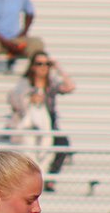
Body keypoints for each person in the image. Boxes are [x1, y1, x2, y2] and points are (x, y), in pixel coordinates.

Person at [7, 51, 76, 183]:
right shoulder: (25, 84)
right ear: (32, 66)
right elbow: (15, 101)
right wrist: (29, 99)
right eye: (39, 64)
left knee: (62, 144)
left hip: (49, 122)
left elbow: (70, 87)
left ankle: (50, 179)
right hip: (28, 123)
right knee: (30, 146)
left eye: (47, 64)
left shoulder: (51, 83)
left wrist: (58, 67)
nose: (43, 67)